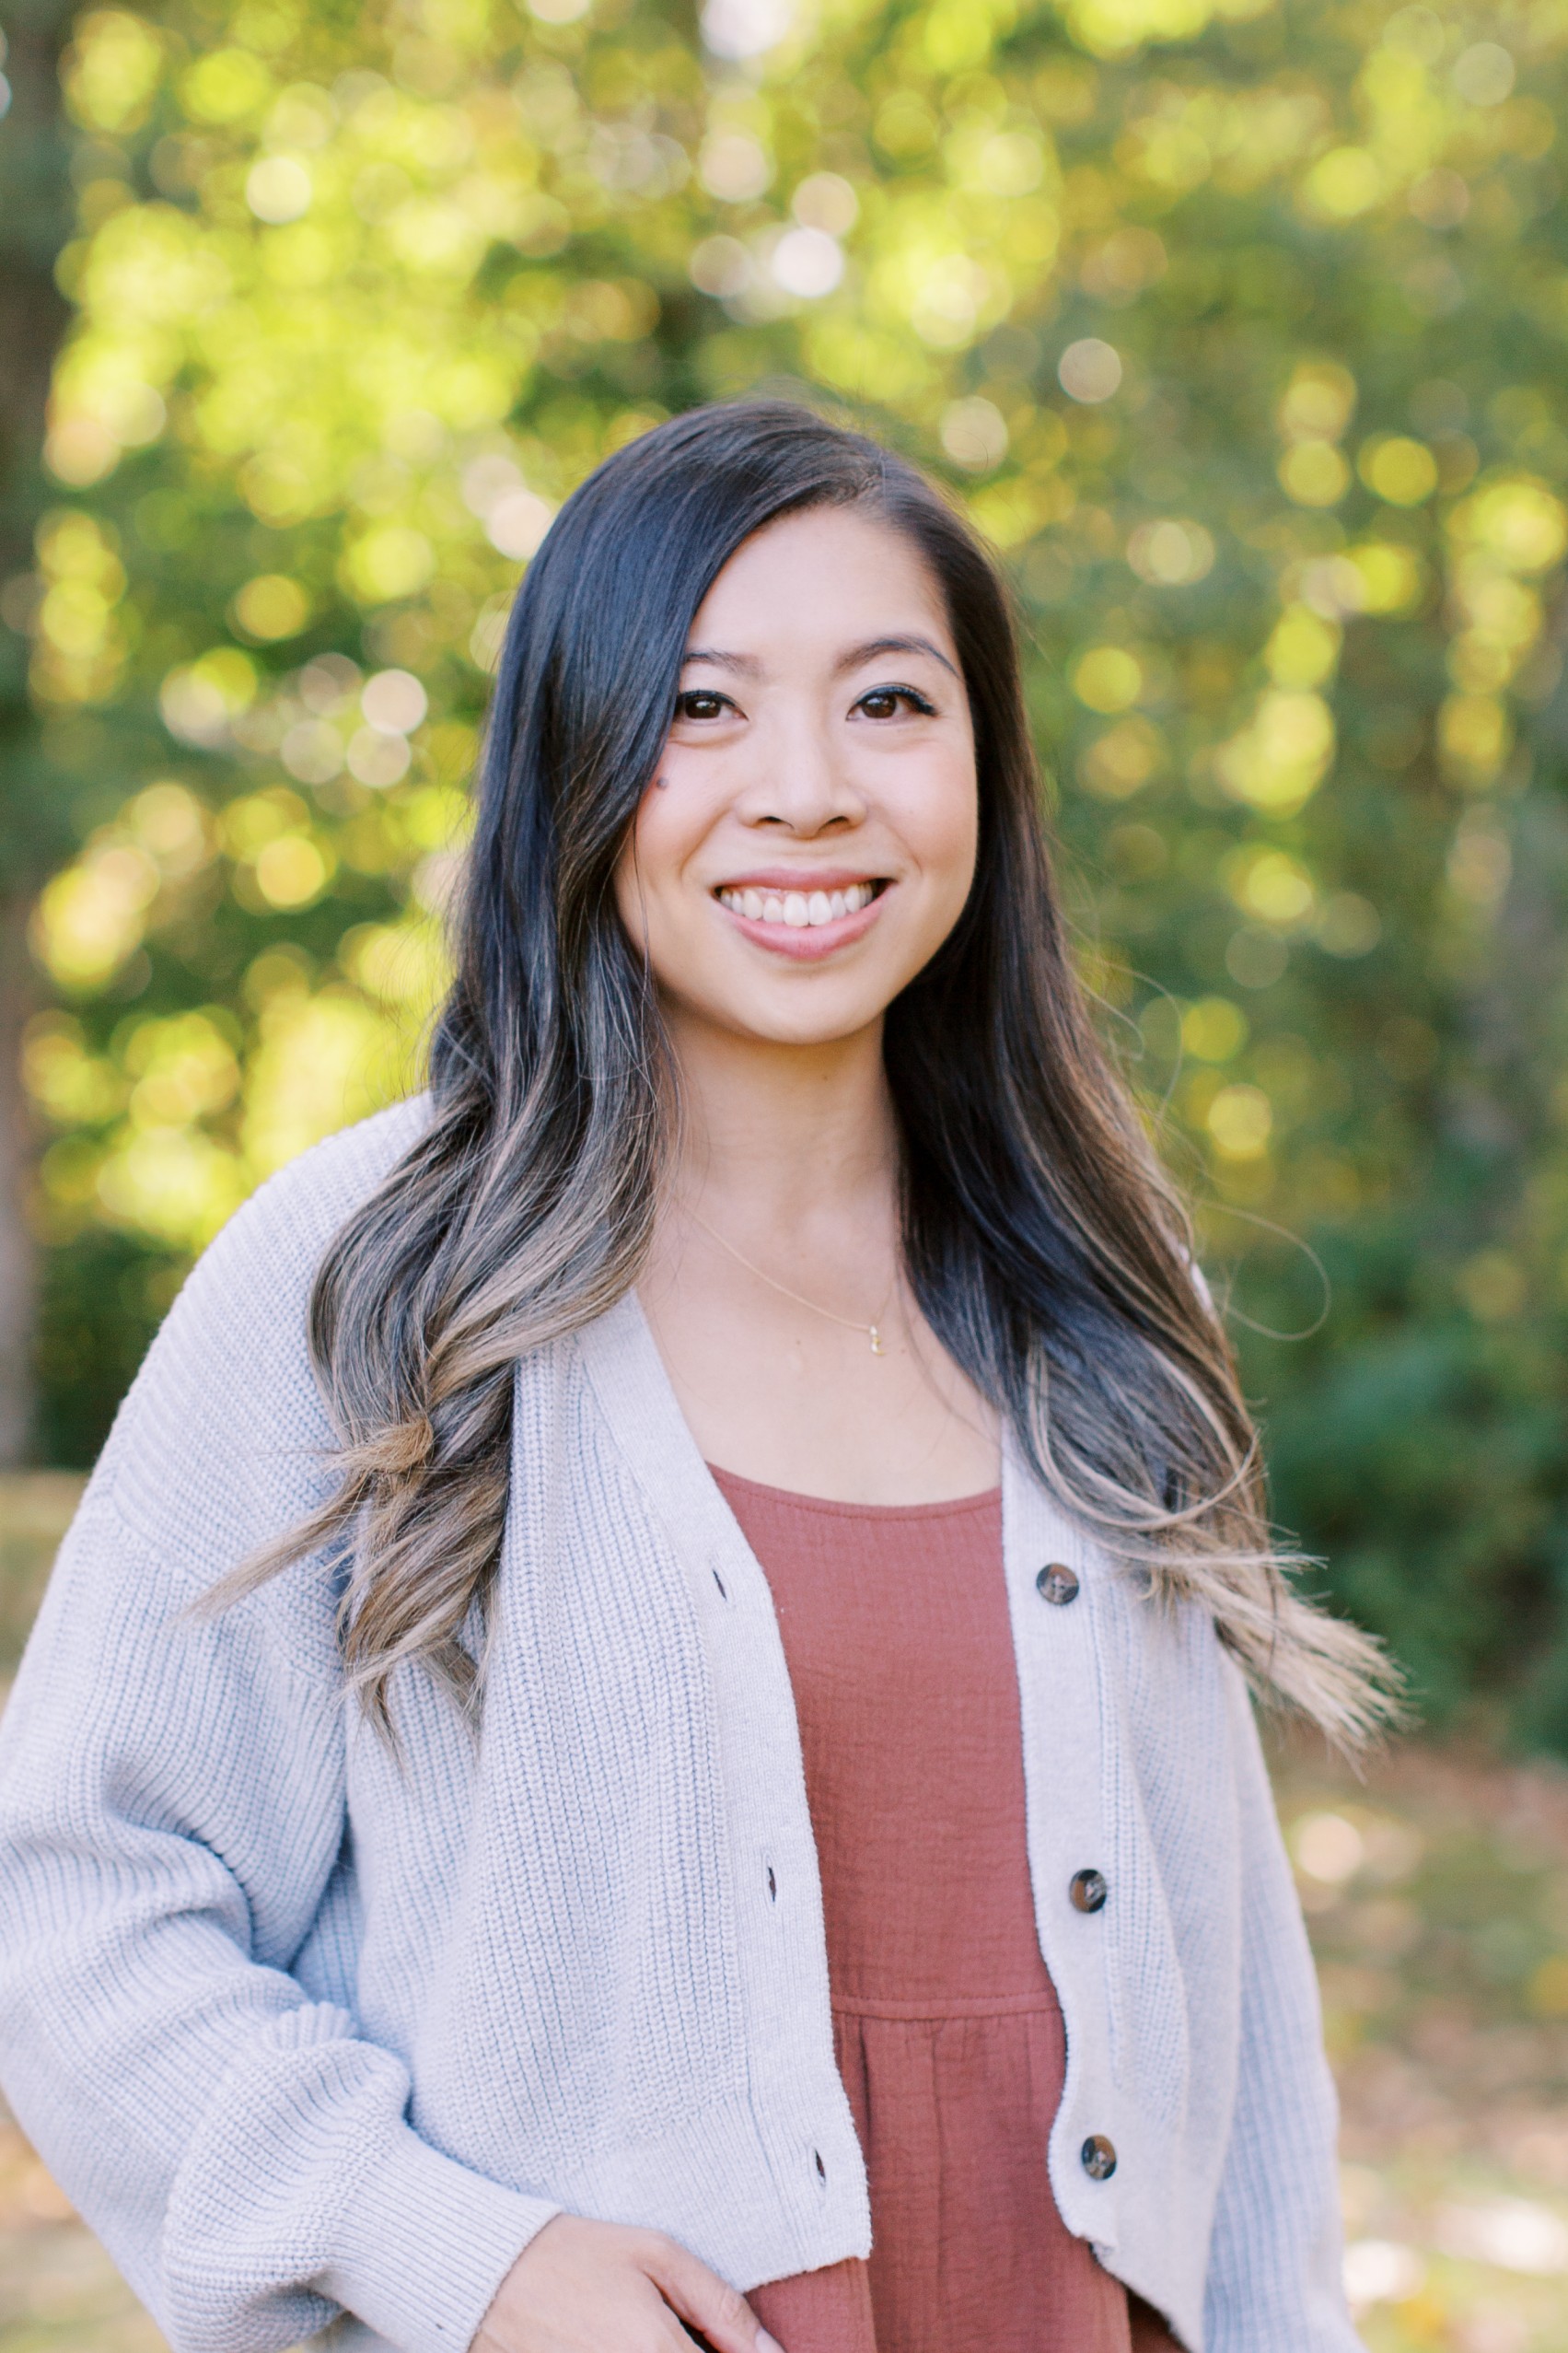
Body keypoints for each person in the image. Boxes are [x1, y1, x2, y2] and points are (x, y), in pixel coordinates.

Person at [0, 401, 1388, 2353]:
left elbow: (1225, 1993)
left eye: (891, 704)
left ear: (983, 763)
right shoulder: (375, 1276)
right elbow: (69, 1894)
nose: (809, 790)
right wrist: (450, 2254)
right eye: (706, 708)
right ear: (576, 761)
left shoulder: (1097, 1276)